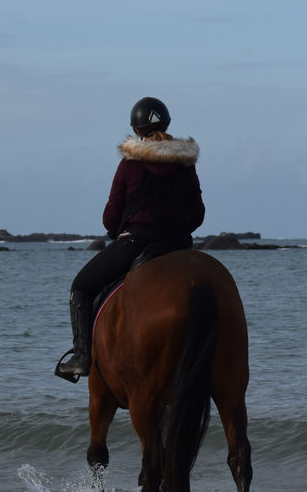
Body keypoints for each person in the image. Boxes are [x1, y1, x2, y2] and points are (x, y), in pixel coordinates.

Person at [54, 97, 205, 382]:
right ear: (168, 125)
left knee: (81, 288)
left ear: (137, 131)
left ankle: (82, 357)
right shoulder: (186, 164)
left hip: (137, 242)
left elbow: (111, 216)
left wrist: (117, 231)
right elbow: (198, 215)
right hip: (180, 246)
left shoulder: (130, 164)